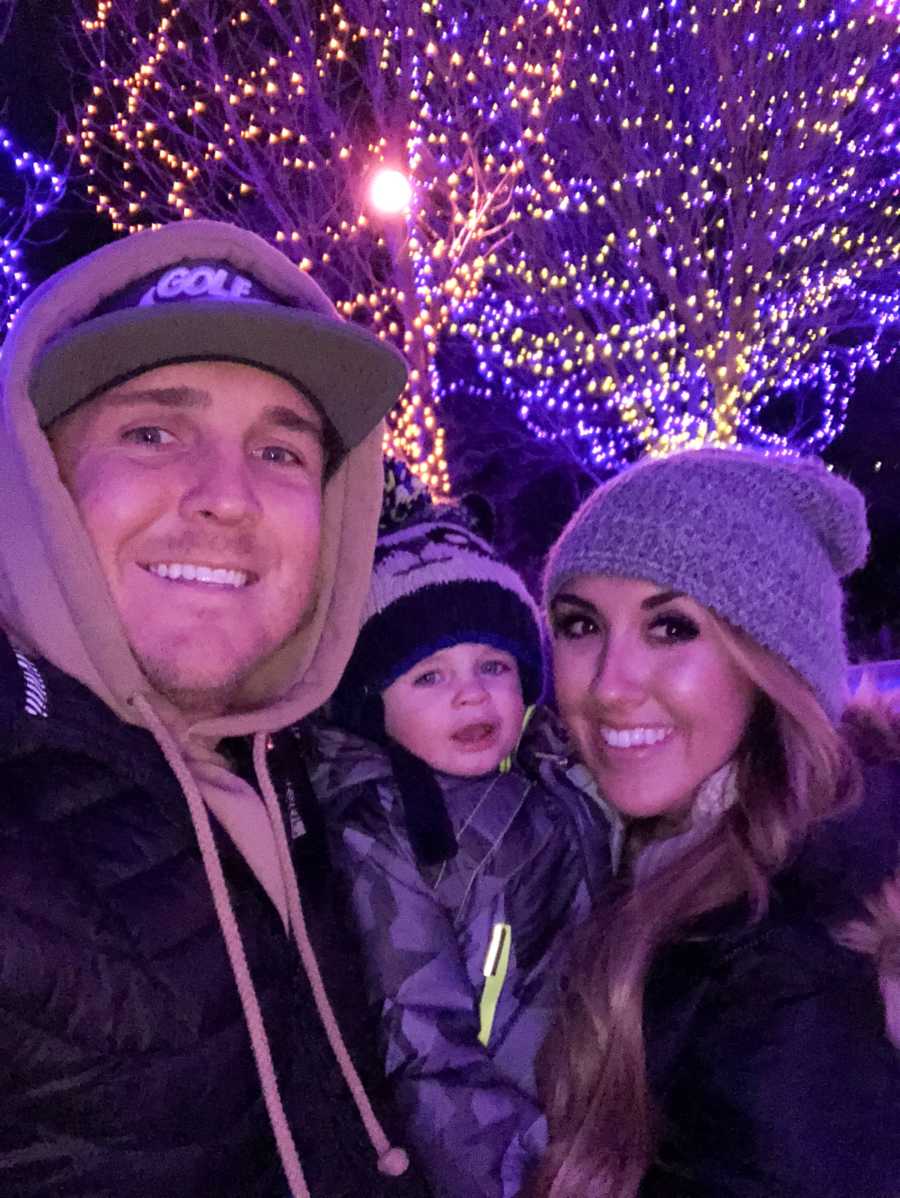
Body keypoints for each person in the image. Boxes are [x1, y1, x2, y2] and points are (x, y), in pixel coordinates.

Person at [0, 219, 433, 1198]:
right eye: (152, 432)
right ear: (40, 481)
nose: (226, 499)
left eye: (282, 452)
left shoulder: (327, 789)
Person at [528, 448, 900, 1198]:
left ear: (769, 664)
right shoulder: (654, 852)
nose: (609, 685)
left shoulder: (797, 967)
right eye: (579, 624)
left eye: (670, 628)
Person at [304, 462, 612, 1198]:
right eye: (428, 677)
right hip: (517, 1142)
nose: (471, 691)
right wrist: (522, 1174)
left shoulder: (561, 777)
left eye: (494, 664)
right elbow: (420, 1044)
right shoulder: (381, 831)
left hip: (610, 1098)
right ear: (370, 704)